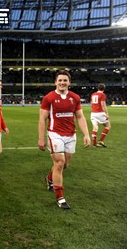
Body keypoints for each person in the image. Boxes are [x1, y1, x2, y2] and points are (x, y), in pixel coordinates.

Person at [38, 70, 90, 209]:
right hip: (55, 134)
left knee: (65, 164)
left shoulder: (75, 97)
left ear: (69, 82)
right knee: (59, 163)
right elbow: (42, 119)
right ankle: (60, 197)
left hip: (70, 135)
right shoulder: (49, 98)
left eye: (65, 80)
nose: (62, 83)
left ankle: (49, 179)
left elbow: (80, 117)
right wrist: (41, 138)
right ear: (55, 82)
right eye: (60, 80)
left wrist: (86, 134)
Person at [90, 83, 110, 147]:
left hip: (93, 113)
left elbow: (91, 104)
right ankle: (101, 141)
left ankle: (94, 144)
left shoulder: (93, 94)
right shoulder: (102, 95)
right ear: (104, 89)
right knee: (108, 126)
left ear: (98, 88)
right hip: (100, 113)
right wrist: (106, 114)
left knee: (95, 128)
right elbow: (103, 105)